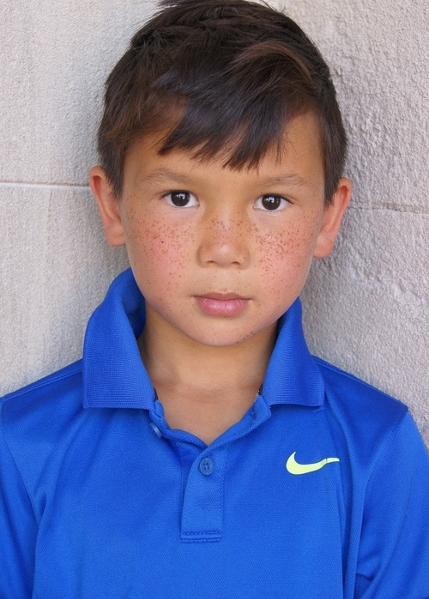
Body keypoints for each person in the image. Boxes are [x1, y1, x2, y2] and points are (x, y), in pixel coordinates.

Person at [1, 0, 428, 596]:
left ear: (328, 217)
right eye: (181, 197)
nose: (224, 249)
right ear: (112, 204)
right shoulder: (20, 445)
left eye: (271, 201)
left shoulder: (376, 447)